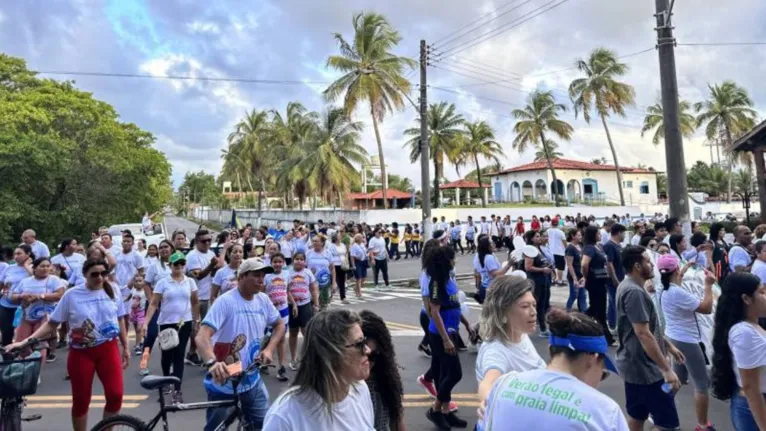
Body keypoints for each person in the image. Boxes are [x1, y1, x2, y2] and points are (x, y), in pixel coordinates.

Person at [6, 258, 129, 431]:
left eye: (104, 273)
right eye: (94, 274)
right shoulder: (72, 295)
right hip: (82, 354)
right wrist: (25, 341)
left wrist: (126, 347)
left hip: (108, 350)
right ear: (85, 275)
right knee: (81, 400)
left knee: (115, 395)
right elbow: (52, 323)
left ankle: (106, 429)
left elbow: (121, 318)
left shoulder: (113, 289)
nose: (100, 278)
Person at [482, 308, 628, 430]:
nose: (598, 382)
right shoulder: (605, 412)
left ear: (551, 348)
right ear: (592, 358)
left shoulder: (504, 385)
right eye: (603, 373)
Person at [196, 258, 285, 430]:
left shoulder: (263, 300)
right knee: (216, 427)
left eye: (263, 276)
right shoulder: (225, 302)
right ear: (242, 276)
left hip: (252, 379)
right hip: (224, 381)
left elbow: (280, 324)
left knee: (263, 425)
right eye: (256, 275)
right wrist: (212, 363)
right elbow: (202, 336)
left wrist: (269, 349)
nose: (261, 280)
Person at [263, 309, 374, 430]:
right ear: (331, 354)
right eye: (359, 344)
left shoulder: (360, 389)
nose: (368, 350)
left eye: (365, 341)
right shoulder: (285, 416)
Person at [616, 245, 685, 431]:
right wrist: (666, 369)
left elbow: (646, 328)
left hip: (634, 365)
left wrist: (668, 345)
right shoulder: (634, 292)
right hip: (646, 369)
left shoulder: (630, 286)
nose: (652, 265)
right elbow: (643, 333)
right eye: (648, 261)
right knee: (668, 425)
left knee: (637, 415)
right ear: (637, 266)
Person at [656, 253, 717, 431]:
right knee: (701, 383)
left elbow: (676, 281)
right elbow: (705, 308)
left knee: (678, 378)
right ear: (674, 270)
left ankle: (657, 406)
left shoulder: (664, 287)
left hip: (673, 337)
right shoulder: (677, 293)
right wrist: (707, 286)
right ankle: (702, 425)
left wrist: (683, 269)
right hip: (687, 341)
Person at [476, 275, 545, 402]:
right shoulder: (496, 351)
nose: (533, 312)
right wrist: (487, 401)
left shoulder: (520, 335)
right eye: (525, 306)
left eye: (534, 305)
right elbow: (488, 383)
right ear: (502, 312)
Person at [711, 272, 766, 431]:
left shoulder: (753, 325)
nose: (765, 296)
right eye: (761, 292)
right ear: (746, 299)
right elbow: (750, 387)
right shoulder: (744, 333)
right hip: (754, 407)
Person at [143, 251, 200, 404]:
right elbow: (154, 303)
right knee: (167, 355)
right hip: (166, 322)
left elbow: (195, 302)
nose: (179, 267)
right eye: (176, 264)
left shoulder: (190, 282)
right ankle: (166, 379)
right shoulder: (163, 282)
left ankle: (177, 390)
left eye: (182, 263)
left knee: (179, 355)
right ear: (170, 266)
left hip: (184, 323)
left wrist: (197, 320)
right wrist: (146, 322)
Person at [424, 245, 470, 429]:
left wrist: (466, 324)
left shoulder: (448, 279)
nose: (455, 261)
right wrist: (445, 339)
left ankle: (445, 412)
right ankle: (435, 410)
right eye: (452, 258)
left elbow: (455, 305)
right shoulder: (436, 282)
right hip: (440, 334)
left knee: (447, 373)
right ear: (445, 261)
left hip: (452, 330)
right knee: (454, 373)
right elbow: (434, 312)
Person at [8, 257, 66, 365]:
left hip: (45, 316)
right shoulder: (25, 281)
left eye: (48, 266)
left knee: (40, 343)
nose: (45, 269)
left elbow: (60, 295)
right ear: (34, 268)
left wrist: (40, 296)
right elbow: (12, 296)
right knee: (21, 343)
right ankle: (24, 367)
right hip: (27, 316)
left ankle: (37, 370)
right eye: (42, 266)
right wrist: (22, 296)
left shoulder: (54, 280)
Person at [360, 310, 405, 431]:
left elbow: (397, 419)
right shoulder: (343, 387)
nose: (368, 363)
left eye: (374, 355)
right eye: (362, 354)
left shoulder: (388, 376)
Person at [185, 229, 221, 366]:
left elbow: (213, 273)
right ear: (197, 241)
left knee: (205, 328)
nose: (206, 243)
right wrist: (212, 265)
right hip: (195, 297)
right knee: (197, 328)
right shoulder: (192, 256)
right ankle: (198, 354)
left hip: (207, 295)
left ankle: (193, 352)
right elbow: (199, 275)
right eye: (203, 241)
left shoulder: (211, 253)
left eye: (209, 240)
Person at [140, 239, 174, 374]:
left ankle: (169, 364)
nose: (164, 249)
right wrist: (151, 299)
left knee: (169, 335)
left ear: (172, 249)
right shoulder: (154, 266)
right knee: (152, 333)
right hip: (155, 304)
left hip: (170, 305)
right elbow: (146, 284)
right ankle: (144, 362)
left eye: (166, 247)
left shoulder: (176, 264)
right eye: (161, 248)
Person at [581, 226, 614, 345]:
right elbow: (584, 264)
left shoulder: (597, 247)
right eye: (598, 233)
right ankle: (607, 337)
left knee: (596, 308)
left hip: (601, 280)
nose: (600, 235)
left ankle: (580, 321)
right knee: (598, 309)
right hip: (594, 281)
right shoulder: (589, 248)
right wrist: (586, 277)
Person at [287, 252, 319, 371]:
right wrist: (294, 304)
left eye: (301, 259)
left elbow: (313, 289)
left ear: (305, 261)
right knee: (293, 333)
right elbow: (287, 290)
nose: (299, 261)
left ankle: (308, 358)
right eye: (297, 259)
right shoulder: (288, 273)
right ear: (293, 260)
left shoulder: (308, 272)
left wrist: (316, 304)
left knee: (307, 333)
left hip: (305, 305)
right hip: (291, 307)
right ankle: (293, 358)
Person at [264, 253, 291, 381]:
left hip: (284, 310)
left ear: (283, 263)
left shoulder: (287, 274)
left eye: (280, 262)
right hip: (269, 311)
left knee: (281, 339)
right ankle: (262, 361)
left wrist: (294, 304)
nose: (277, 264)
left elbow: (288, 290)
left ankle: (282, 367)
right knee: (267, 337)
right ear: (271, 263)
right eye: (275, 262)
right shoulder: (266, 276)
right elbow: (261, 292)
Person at [0, 244, 34, 347]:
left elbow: (36, 280)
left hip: (25, 306)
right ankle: (7, 357)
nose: (16, 256)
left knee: (23, 334)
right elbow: (2, 283)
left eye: (19, 253)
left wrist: (27, 266)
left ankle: (24, 357)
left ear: (28, 254)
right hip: (6, 304)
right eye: (15, 254)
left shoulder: (34, 268)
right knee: (6, 332)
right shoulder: (9, 267)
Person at [524, 230, 553, 337]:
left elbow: (543, 262)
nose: (539, 238)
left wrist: (548, 268)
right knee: (534, 305)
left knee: (542, 304)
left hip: (544, 280)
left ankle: (543, 328)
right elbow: (528, 267)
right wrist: (542, 270)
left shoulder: (539, 249)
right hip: (535, 281)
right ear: (531, 239)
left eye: (539, 236)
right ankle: (536, 327)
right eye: (537, 237)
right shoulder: (529, 251)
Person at [114, 233, 145, 329]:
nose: (126, 243)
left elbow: (141, 271)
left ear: (132, 243)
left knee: (127, 314)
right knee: (118, 313)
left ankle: (128, 335)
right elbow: (113, 270)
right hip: (118, 287)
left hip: (130, 288)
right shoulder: (117, 254)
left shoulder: (137, 256)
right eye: (124, 241)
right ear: (121, 242)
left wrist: (134, 283)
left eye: (128, 241)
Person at [473, 236, 515, 304]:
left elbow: (477, 273)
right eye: (492, 243)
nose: (494, 244)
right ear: (487, 246)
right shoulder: (489, 257)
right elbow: (496, 274)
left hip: (485, 286)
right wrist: (509, 265)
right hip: (492, 288)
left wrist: (478, 286)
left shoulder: (479, 256)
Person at [603, 223, 627, 331]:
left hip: (620, 278)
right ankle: (616, 328)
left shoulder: (618, 245)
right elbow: (609, 264)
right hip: (613, 281)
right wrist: (615, 279)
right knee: (615, 304)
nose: (625, 236)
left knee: (613, 304)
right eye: (624, 234)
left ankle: (612, 326)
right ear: (619, 233)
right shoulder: (609, 245)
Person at [306, 235, 336, 310]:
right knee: (312, 305)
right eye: (313, 241)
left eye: (316, 241)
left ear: (322, 243)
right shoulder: (308, 253)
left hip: (325, 283)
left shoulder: (327, 253)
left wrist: (334, 283)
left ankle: (322, 320)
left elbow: (332, 269)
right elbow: (304, 268)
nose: (314, 243)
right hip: (312, 283)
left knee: (324, 305)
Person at [565, 229, 588, 312]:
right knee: (574, 295)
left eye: (580, 235)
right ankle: (567, 311)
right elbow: (569, 264)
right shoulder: (570, 248)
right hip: (574, 275)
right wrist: (574, 278)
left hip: (581, 275)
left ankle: (584, 314)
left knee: (582, 296)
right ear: (573, 236)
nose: (580, 237)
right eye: (578, 235)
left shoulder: (581, 246)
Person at [129, 273, 147, 355]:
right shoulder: (133, 290)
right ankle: (140, 342)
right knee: (137, 330)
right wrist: (124, 300)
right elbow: (130, 296)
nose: (138, 283)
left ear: (144, 282)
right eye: (136, 281)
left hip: (141, 312)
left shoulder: (145, 292)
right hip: (133, 312)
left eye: (140, 281)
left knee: (139, 329)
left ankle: (137, 346)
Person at [329, 234, 350, 305]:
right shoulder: (331, 246)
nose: (340, 237)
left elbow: (346, 252)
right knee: (332, 281)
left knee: (342, 281)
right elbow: (330, 255)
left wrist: (346, 259)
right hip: (334, 264)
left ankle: (343, 297)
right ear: (335, 238)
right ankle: (330, 297)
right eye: (338, 236)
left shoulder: (343, 245)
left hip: (342, 265)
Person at [350, 234, 368, 299]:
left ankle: (355, 288)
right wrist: (353, 265)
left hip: (364, 262)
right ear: (358, 239)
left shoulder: (362, 244)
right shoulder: (354, 246)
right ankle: (359, 293)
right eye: (361, 237)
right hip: (357, 263)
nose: (362, 238)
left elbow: (365, 251)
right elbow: (352, 256)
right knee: (359, 279)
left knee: (364, 278)